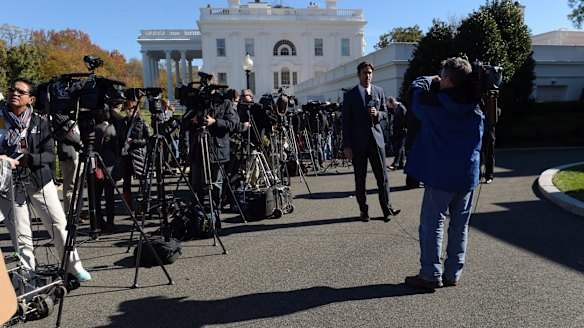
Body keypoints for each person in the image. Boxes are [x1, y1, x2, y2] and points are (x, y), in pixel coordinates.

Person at [403, 56, 484, 290]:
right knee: (459, 226)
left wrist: (430, 78)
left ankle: (430, 273)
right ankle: (453, 273)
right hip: (467, 174)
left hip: (440, 175)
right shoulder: (476, 105)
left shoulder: (434, 104)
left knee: (432, 224)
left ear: (447, 80)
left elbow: (414, 92)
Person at [0, 78, 91, 281]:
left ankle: (73, 266)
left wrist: (29, 159)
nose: (14, 93)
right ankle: (28, 275)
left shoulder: (40, 122)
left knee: (59, 224)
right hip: (8, 184)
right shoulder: (0, 118)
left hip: (39, 181)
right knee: (20, 233)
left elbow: (50, 155)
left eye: (20, 91)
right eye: (12, 89)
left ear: (30, 99)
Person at [342, 61, 400, 222]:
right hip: (358, 143)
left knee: (383, 178)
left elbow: (386, 115)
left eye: (370, 73)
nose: (367, 76)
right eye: (364, 73)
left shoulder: (379, 91)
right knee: (360, 179)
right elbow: (346, 122)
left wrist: (378, 114)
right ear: (358, 74)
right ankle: (363, 210)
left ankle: (387, 209)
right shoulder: (350, 95)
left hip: (376, 141)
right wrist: (347, 145)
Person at [120, 99, 150, 210]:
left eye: (130, 109)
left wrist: (134, 142)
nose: (127, 111)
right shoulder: (123, 122)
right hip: (126, 155)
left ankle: (143, 205)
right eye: (126, 109)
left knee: (143, 180)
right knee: (126, 181)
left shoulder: (142, 122)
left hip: (139, 155)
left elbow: (148, 139)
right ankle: (128, 207)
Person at [94, 111, 118, 230]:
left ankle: (98, 219)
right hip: (109, 162)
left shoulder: (94, 128)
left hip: (96, 162)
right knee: (109, 195)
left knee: (96, 195)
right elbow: (115, 145)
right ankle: (110, 221)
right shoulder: (111, 129)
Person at [387, 96, 407, 170]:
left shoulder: (401, 108)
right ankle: (401, 164)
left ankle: (395, 164)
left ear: (392, 102)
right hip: (398, 131)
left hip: (402, 131)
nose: (390, 107)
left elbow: (404, 120)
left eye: (390, 104)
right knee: (401, 148)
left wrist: (403, 129)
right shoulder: (396, 108)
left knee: (398, 148)